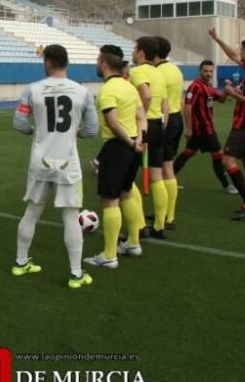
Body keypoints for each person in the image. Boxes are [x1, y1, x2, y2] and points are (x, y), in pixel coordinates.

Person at [11, 45, 98, 289]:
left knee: (32, 212)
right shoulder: (83, 92)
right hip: (68, 163)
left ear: (48, 62)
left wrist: (35, 132)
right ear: (66, 63)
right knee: (71, 217)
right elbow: (92, 130)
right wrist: (73, 134)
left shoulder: (33, 89)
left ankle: (20, 262)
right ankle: (76, 274)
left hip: (40, 161)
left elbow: (19, 123)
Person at [84, 47, 147, 269]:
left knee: (110, 199)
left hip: (117, 147)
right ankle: (133, 243)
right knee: (126, 192)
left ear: (103, 64)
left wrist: (130, 143)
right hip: (132, 147)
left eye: (97, 62)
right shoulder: (129, 87)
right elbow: (141, 117)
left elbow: (112, 122)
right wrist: (138, 140)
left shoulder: (108, 90)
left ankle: (109, 255)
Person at [210, 29, 245, 220]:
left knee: (228, 160)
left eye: (241, 49)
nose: (238, 51)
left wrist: (233, 93)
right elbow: (232, 54)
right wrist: (217, 38)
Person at [173, 60, 235, 193]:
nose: (208, 73)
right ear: (200, 71)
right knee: (218, 155)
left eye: (211, 71)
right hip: (202, 128)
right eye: (206, 71)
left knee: (188, 152)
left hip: (205, 127)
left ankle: (169, 178)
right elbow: (187, 106)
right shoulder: (195, 86)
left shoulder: (208, 86)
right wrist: (189, 128)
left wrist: (227, 91)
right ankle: (226, 185)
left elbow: (222, 100)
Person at [129, 36, 169, 238]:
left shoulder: (137, 71)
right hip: (158, 126)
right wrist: (163, 124)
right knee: (156, 176)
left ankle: (139, 225)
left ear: (141, 52)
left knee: (127, 177)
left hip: (143, 127)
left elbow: (145, 95)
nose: (133, 52)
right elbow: (165, 103)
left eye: (134, 49)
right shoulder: (158, 73)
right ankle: (160, 226)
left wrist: (141, 119)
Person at [155, 36, 185, 229]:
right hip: (176, 118)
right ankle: (167, 214)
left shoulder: (157, 72)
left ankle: (167, 218)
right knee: (169, 168)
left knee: (163, 170)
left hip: (164, 120)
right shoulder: (175, 69)